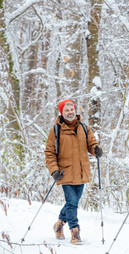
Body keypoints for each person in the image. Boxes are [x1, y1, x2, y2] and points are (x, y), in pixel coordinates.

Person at [44, 100, 103, 244]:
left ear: (75, 110)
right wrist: (54, 171)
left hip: (82, 172)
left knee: (73, 202)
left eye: (72, 109)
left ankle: (58, 225)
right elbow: (50, 152)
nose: (70, 112)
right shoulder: (56, 130)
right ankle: (75, 232)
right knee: (71, 202)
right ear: (61, 113)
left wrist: (96, 149)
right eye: (66, 110)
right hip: (64, 173)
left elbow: (92, 143)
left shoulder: (84, 127)